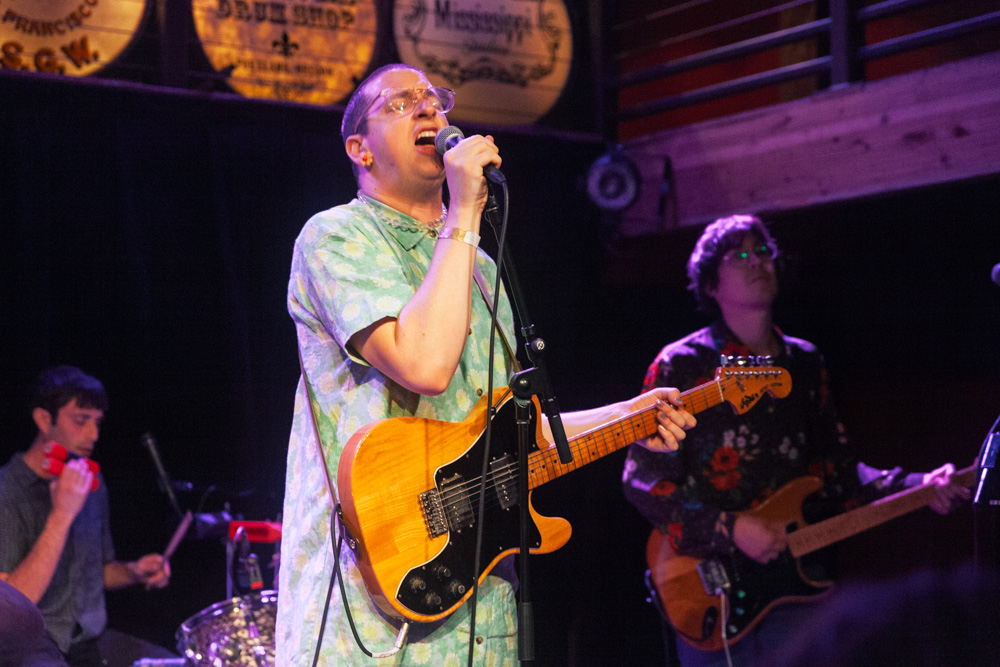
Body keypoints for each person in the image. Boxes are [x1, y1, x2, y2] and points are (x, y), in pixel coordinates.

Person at [276, 63, 696, 666]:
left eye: (434, 100)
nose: (427, 109)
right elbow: (423, 364)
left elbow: (505, 435)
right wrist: (463, 215)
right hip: (369, 607)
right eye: (399, 104)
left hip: (477, 612)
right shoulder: (335, 237)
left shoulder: (480, 268)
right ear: (359, 150)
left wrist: (631, 416)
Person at [622, 215, 970, 667]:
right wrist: (731, 529)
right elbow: (644, 481)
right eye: (740, 255)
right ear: (710, 283)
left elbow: (839, 473)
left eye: (763, 251)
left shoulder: (805, 362)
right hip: (710, 590)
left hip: (799, 585)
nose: (757, 263)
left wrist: (920, 485)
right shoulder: (680, 365)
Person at [0, 366, 171, 667]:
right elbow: (12, 608)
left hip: (90, 641)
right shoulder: (6, 490)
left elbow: (97, 572)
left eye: (97, 422)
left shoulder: (89, 480)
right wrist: (62, 514)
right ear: (43, 419)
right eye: (81, 420)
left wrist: (133, 571)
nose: (93, 434)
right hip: (31, 647)